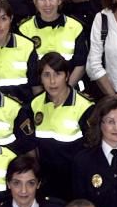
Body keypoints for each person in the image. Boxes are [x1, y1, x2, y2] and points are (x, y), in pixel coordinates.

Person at [31, 52, 94, 199]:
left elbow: (92, 151)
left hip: (76, 184)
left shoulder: (84, 106)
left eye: (57, 74)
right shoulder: (34, 105)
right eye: (46, 75)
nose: (52, 81)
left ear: (67, 76)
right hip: (47, 186)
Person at [17, 0, 89, 88]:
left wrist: (65, 92)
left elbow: (80, 66)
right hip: (37, 95)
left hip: (70, 90)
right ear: (34, 1)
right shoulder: (24, 29)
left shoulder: (75, 27)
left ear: (59, 0)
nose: (47, 4)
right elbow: (25, 69)